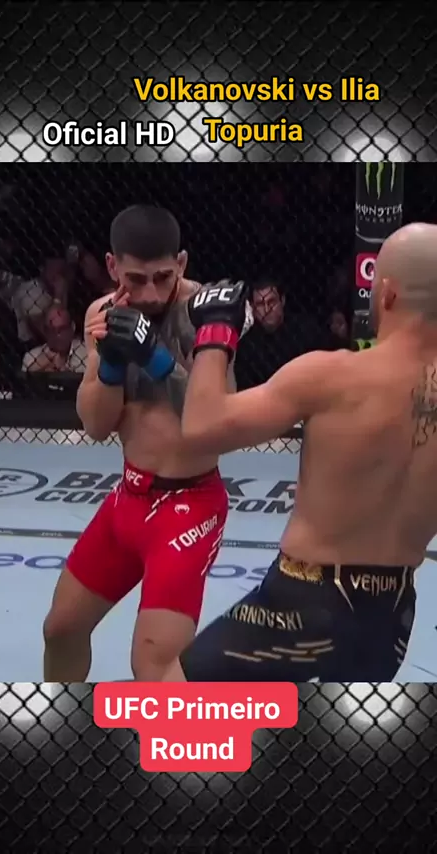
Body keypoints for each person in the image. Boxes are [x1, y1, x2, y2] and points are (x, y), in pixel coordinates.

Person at [163, 222, 437, 682]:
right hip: (392, 617)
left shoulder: (332, 377)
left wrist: (215, 331)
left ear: (388, 293)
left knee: (169, 704)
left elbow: (202, 427)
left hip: (303, 603)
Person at [43, 206, 241, 681]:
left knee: (153, 666)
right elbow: (95, 425)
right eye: (136, 279)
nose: (150, 293)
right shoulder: (102, 313)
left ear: (182, 264)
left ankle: (183, 734)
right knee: (61, 629)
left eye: (163, 278)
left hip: (189, 506)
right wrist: (110, 366)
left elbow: (221, 419)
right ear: (112, 267)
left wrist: (156, 359)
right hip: (128, 499)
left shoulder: (207, 312)